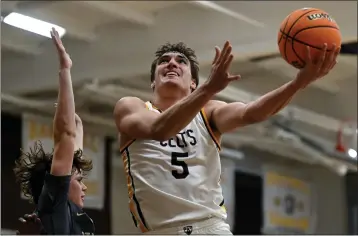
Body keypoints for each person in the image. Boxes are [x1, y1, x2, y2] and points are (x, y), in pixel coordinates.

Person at [113, 40, 339, 235]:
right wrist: (208, 89)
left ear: (193, 83)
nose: (172, 63)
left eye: (181, 61)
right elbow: (159, 130)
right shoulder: (132, 107)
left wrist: (297, 83)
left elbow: (252, 112)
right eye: (164, 60)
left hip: (209, 228)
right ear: (153, 81)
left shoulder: (208, 111)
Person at [13, 28, 94, 235]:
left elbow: (73, 136)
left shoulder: (70, 212)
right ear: (62, 184)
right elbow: (66, 136)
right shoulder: (55, 206)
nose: (84, 188)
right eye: (79, 181)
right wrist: (65, 70)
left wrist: (72, 118)